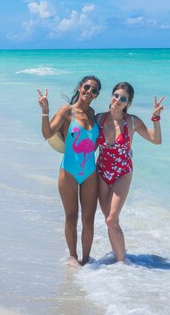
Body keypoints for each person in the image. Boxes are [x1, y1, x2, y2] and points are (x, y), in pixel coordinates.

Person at [95, 82, 164, 263]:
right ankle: (118, 255)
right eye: (116, 95)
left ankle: (121, 263)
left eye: (123, 98)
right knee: (109, 220)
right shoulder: (98, 119)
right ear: (111, 96)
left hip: (122, 173)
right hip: (101, 172)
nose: (118, 100)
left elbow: (156, 140)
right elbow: (84, 139)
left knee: (111, 219)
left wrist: (155, 119)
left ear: (128, 103)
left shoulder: (132, 122)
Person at [38, 76, 101, 266]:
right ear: (80, 88)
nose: (90, 91)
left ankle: (87, 260)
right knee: (71, 216)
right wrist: (45, 112)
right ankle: (73, 256)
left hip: (90, 172)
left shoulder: (93, 113)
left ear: (97, 95)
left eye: (94, 90)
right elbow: (48, 134)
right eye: (87, 87)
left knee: (89, 219)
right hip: (69, 172)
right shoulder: (67, 111)